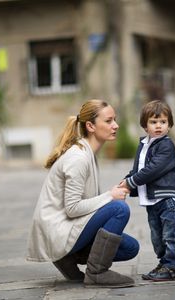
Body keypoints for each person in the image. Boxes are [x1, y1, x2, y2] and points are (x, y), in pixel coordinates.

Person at [26, 99, 139, 288]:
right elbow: (72, 208)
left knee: (130, 248)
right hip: (58, 230)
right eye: (109, 121)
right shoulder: (78, 158)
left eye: (114, 120)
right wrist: (110, 195)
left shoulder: (87, 153)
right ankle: (96, 272)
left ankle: (68, 258)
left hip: (69, 227)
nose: (115, 125)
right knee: (119, 209)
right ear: (90, 126)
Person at [119, 100, 175, 282]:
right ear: (145, 126)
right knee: (157, 237)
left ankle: (172, 267)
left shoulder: (166, 146)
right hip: (152, 200)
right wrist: (125, 182)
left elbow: (153, 170)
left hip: (167, 198)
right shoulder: (144, 145)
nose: (158, 126)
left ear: (169, 125)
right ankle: (164, 262)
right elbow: (138, 170)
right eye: (154, 122)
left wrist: (131, 182)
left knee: (170, 235)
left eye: (163, 122)